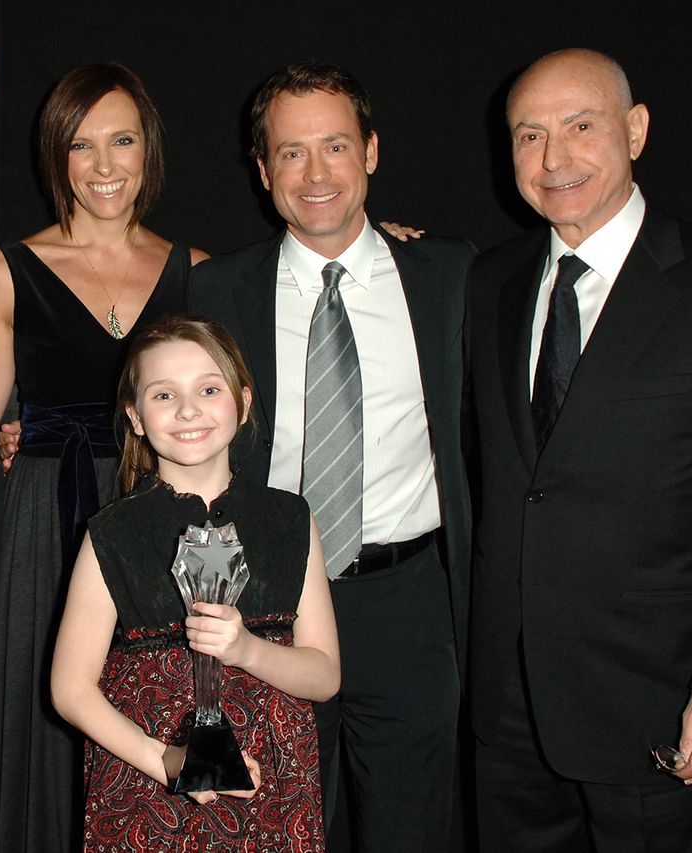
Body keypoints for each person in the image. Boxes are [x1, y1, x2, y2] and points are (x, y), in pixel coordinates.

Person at [464, 48, 692, 851]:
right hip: (506, 713)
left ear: (636, 129)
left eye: (580, 127)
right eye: (528, 135)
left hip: (658, 710)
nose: (553, 159)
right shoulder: (491, 282)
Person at [187, 63, 475, 851]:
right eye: (290, 152)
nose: (315, 174)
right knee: (268, 827)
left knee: (411, 830)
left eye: (336, 146)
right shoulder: (216, 292)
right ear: (262, 169)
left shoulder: (453, 279)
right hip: (270, 602)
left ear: (372, 152)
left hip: (411, 605)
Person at [0, 63, 207, 852]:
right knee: (49, 725)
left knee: (161, 715)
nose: (105, 166)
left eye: (123, 141)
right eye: (83, 145)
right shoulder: (6, 269)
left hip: (159, 523)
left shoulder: (199, 272)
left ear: (149, 151)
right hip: (44, 524)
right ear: (56, 154)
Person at [51, 315, 339, 851]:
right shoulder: (112, 533)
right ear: (136, 418)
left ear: (243, 402)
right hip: (147, 782)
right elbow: (70, 689)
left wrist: (249, 650)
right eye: (164, 395)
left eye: (209, 389)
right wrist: (165, 759)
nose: (188, 410)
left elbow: (324, 675)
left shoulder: (291, 519)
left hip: (273, 786)